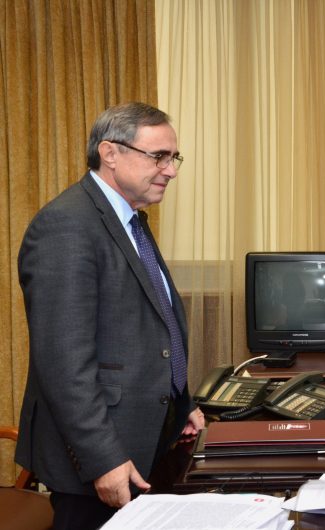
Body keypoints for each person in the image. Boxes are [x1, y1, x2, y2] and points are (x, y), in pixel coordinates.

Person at [15, 102, 205, 529]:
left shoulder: (129, 219)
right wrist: (103, 459)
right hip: (99, 458)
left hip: (143, 440)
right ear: (110, 153)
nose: (170, 170)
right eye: (158, 156)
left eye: (173, 157)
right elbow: (64, 364)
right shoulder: (67, 226)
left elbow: (145, 326)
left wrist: (181, 403)